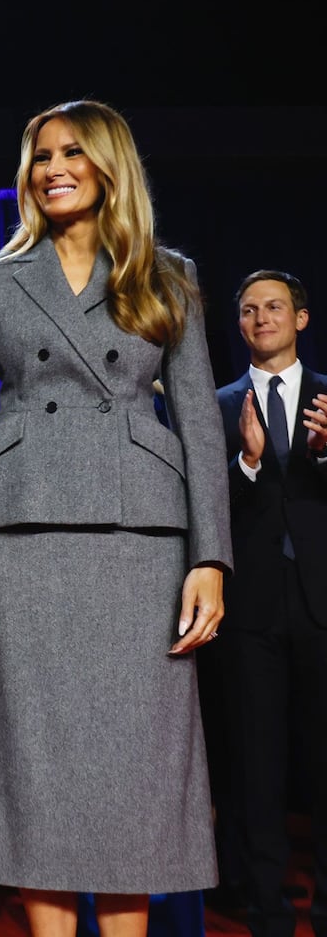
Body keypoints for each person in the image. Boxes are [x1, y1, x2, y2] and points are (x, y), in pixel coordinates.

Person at [0, 98, 232, 937]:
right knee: (37, 769)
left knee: (134, 767)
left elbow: (201, 427)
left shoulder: (164, 274)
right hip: (23, 540)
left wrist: (212, 556)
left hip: (139, 541)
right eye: (39, 155)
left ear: (109, 165)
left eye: (71, 151)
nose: (53, 167)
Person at [213, 269, 327, 937]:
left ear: (301, 318)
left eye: (274, 306)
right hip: (248, 611)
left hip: (321, 606)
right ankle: (267, 913)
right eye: (250, 309)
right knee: (257, 771)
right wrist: (249, 464)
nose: (261, 317)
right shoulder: (217, 404)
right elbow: (203, 507)